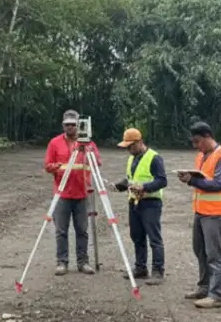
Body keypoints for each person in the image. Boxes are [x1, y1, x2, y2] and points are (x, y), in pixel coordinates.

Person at [177, 121, 221, 308]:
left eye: (197, 141)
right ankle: (204, 288)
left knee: (214, 255)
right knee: (200, 251)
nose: (196, 146)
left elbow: (218, 184)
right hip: (201, 211)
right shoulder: (201, 156)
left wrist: (192, 180)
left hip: (216, 214)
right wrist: (190, 178)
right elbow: (203, 179)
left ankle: (216, 295)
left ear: (207, 136)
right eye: (193, 142)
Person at [44, 109, 101, 275]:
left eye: (73, 125)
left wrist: (87, 152)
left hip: (82, 193)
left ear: (79, 125)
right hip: (62, 194)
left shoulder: (88, 144)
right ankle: (62, 262)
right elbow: (47, 165)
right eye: (67, 125)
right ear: (63, 125)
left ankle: (83, 262)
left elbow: (97, 163)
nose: (70, 127)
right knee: (61, 231)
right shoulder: (54, 143)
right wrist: (59, 167)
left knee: (82, 230)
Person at [112, 128, 167, 285]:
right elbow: (131, 178)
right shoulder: (132, 158)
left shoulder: (154, 158)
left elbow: (162, 180)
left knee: (154, 237)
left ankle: (158, 271)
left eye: (130, 146)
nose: (128, 150)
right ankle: (140, 268)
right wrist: (120, 186)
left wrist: (144, 187)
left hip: (151, 203)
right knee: (137, 236)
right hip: (134, 202)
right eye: (127, 147)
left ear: (140, 142)